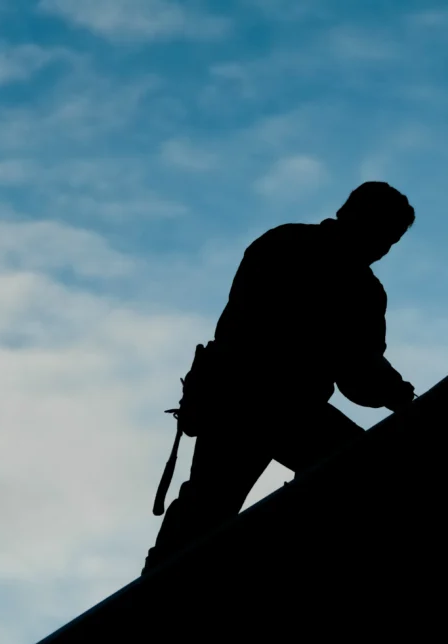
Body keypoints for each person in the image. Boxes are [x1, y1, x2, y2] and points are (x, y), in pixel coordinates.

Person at [142, 181, 416, 575]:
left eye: (391, 240)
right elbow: (357, 369)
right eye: (383, 233)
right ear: (354, 215)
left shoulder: (293, 247)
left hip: (257, 400)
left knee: (208, 504)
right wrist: (399, 396)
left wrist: (392, 392)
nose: (383, 247)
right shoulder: (332, 270)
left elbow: (358, 372)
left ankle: (162, 584)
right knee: (212, 504)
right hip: (257, 400)